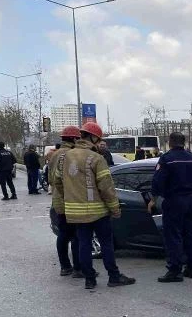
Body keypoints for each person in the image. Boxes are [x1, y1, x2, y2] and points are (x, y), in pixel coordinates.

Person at [57, 122, 135, 290]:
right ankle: (113, 276)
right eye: (99, 139)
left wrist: (69, 197)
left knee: (83, 244)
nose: (99, 142)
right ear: (93, 137)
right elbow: (106, 187)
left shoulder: (65, 157)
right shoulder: (96, 158)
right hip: (98, 211)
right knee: (106, 243)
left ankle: (89, 280)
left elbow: (57, 181)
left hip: (75, 212)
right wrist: (115, 208)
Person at [149, 131, 192, 283]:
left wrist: (153, 199)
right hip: (190, 201)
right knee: (190, 234)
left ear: (170, 142)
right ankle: (191, 268)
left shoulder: (166, 159)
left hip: (174, 201)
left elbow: (157, 181)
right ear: (184, 142)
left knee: (173, 235)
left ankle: (175, 270)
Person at [48, 126, 83, 277]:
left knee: (63, 234)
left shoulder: (54, 155)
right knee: (76, 236)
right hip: (71, 199)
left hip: (57, 200)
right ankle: (78, 268)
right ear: (74, 139)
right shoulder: (71, 154)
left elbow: (50, 179)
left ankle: (65, 266)